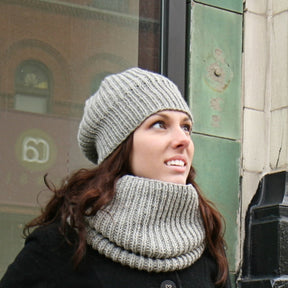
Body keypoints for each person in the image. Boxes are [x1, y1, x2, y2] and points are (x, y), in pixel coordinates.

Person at [0, 68, 230, 288]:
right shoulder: (63, 245)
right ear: (120, 145)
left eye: (186, 127)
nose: (183, 140)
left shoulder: (208, 244)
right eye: (160, 124)